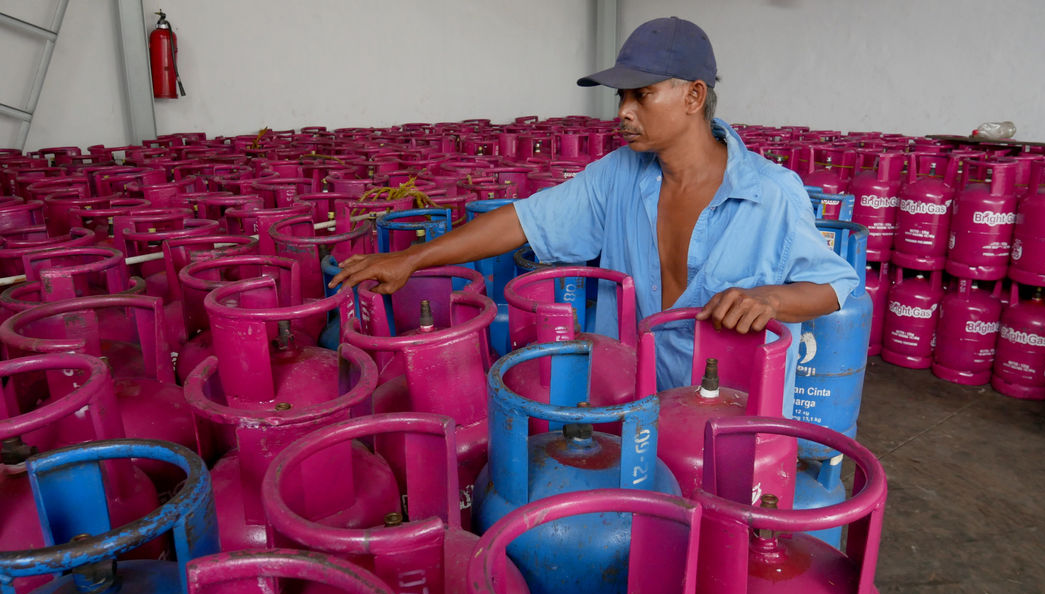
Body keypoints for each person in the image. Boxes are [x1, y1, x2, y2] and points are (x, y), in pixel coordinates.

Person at [330, 16, 859, 416]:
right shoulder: (618, 176)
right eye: (621, 95)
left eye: (642, 94)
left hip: (730, 417)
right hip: (629, 401)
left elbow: (834, 286)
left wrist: (770, 298)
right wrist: (413, 258)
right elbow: (523, 221)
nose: (623, 111)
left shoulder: (771, 193)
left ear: (694, 96)